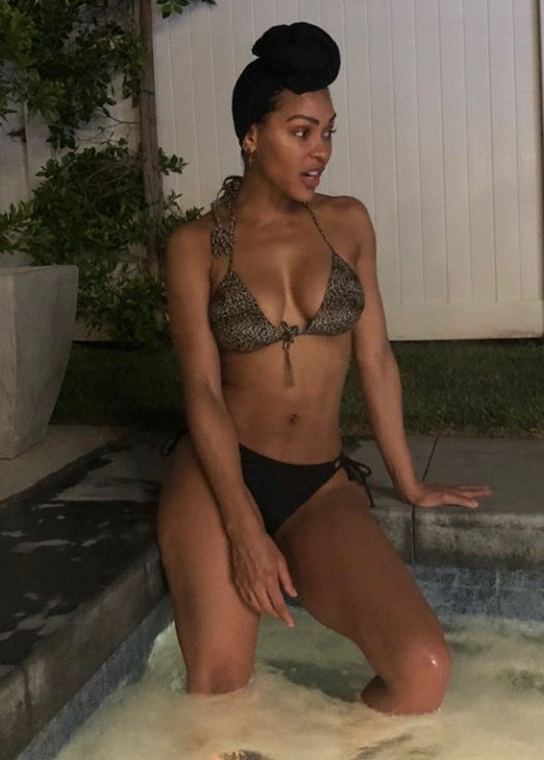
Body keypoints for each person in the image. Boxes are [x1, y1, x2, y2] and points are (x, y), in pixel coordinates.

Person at [157, 21, 491, 715]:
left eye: (328, 133)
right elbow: (202, 389)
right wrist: (243, 529)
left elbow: (376, 358)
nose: (321, 152)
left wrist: (409, 481)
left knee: (422, 671)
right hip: (221, 476)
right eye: (302, 132)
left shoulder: (348, 223)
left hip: (316, 483)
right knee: (220, 699)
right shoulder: (196, 246)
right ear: (253, 136)